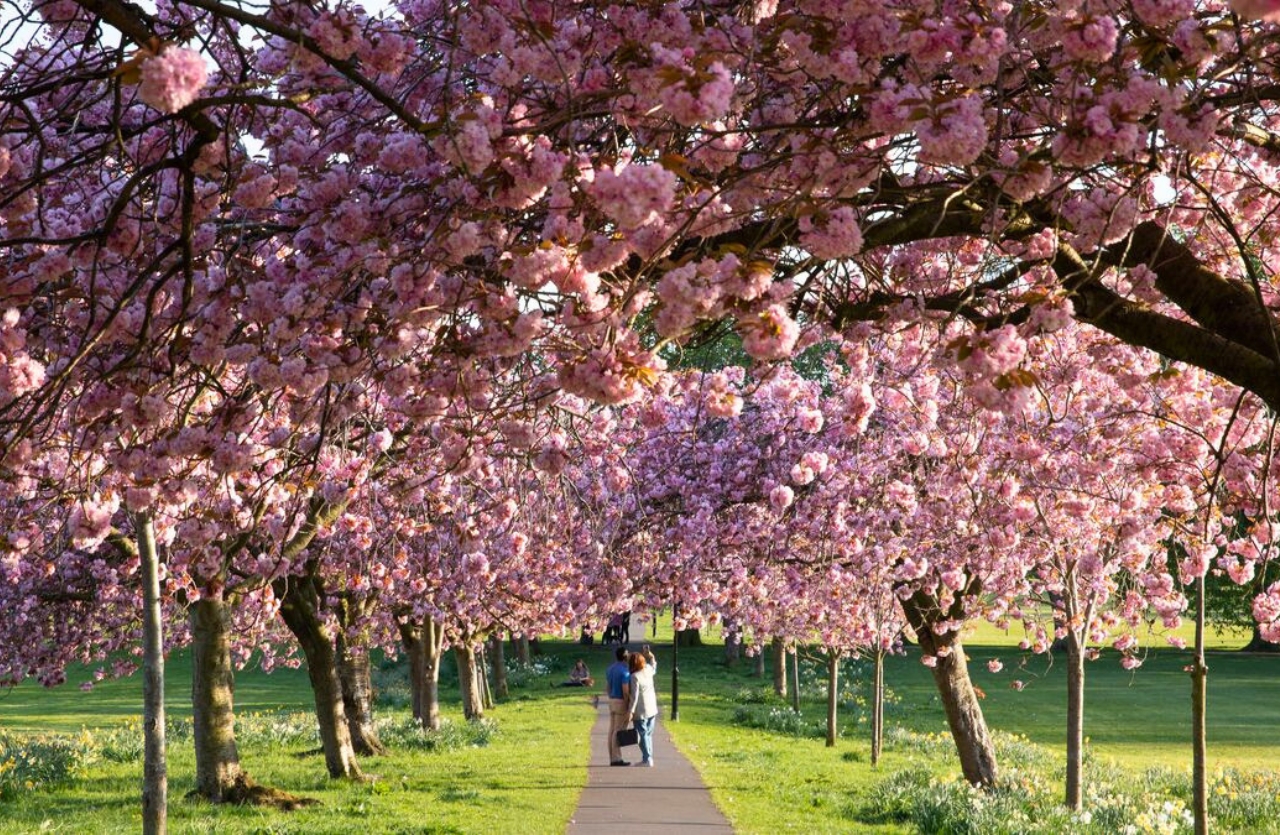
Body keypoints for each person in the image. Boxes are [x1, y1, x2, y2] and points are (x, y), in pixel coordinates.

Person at [628, 644, 659, 767]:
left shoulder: (634, 676)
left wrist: (631, 711)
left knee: (642, 734)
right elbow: (654, 665)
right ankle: (648, 758)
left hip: (641, 710)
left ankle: (647, 758)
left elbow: (634, 696)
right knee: (648, 734)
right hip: (652, 707)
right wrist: (651, 656)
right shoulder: (648, 670)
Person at [605, 646, 632, 766]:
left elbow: (607, 687)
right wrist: (628, 704)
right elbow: (625, 691)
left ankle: (612, 756)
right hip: (621, 701)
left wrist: (611, 696)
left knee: (611, 730)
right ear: (625, 657)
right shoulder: (625, 672)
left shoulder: (610, 669)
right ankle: (616, 759)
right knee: (618, 730)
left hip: (612, 700)